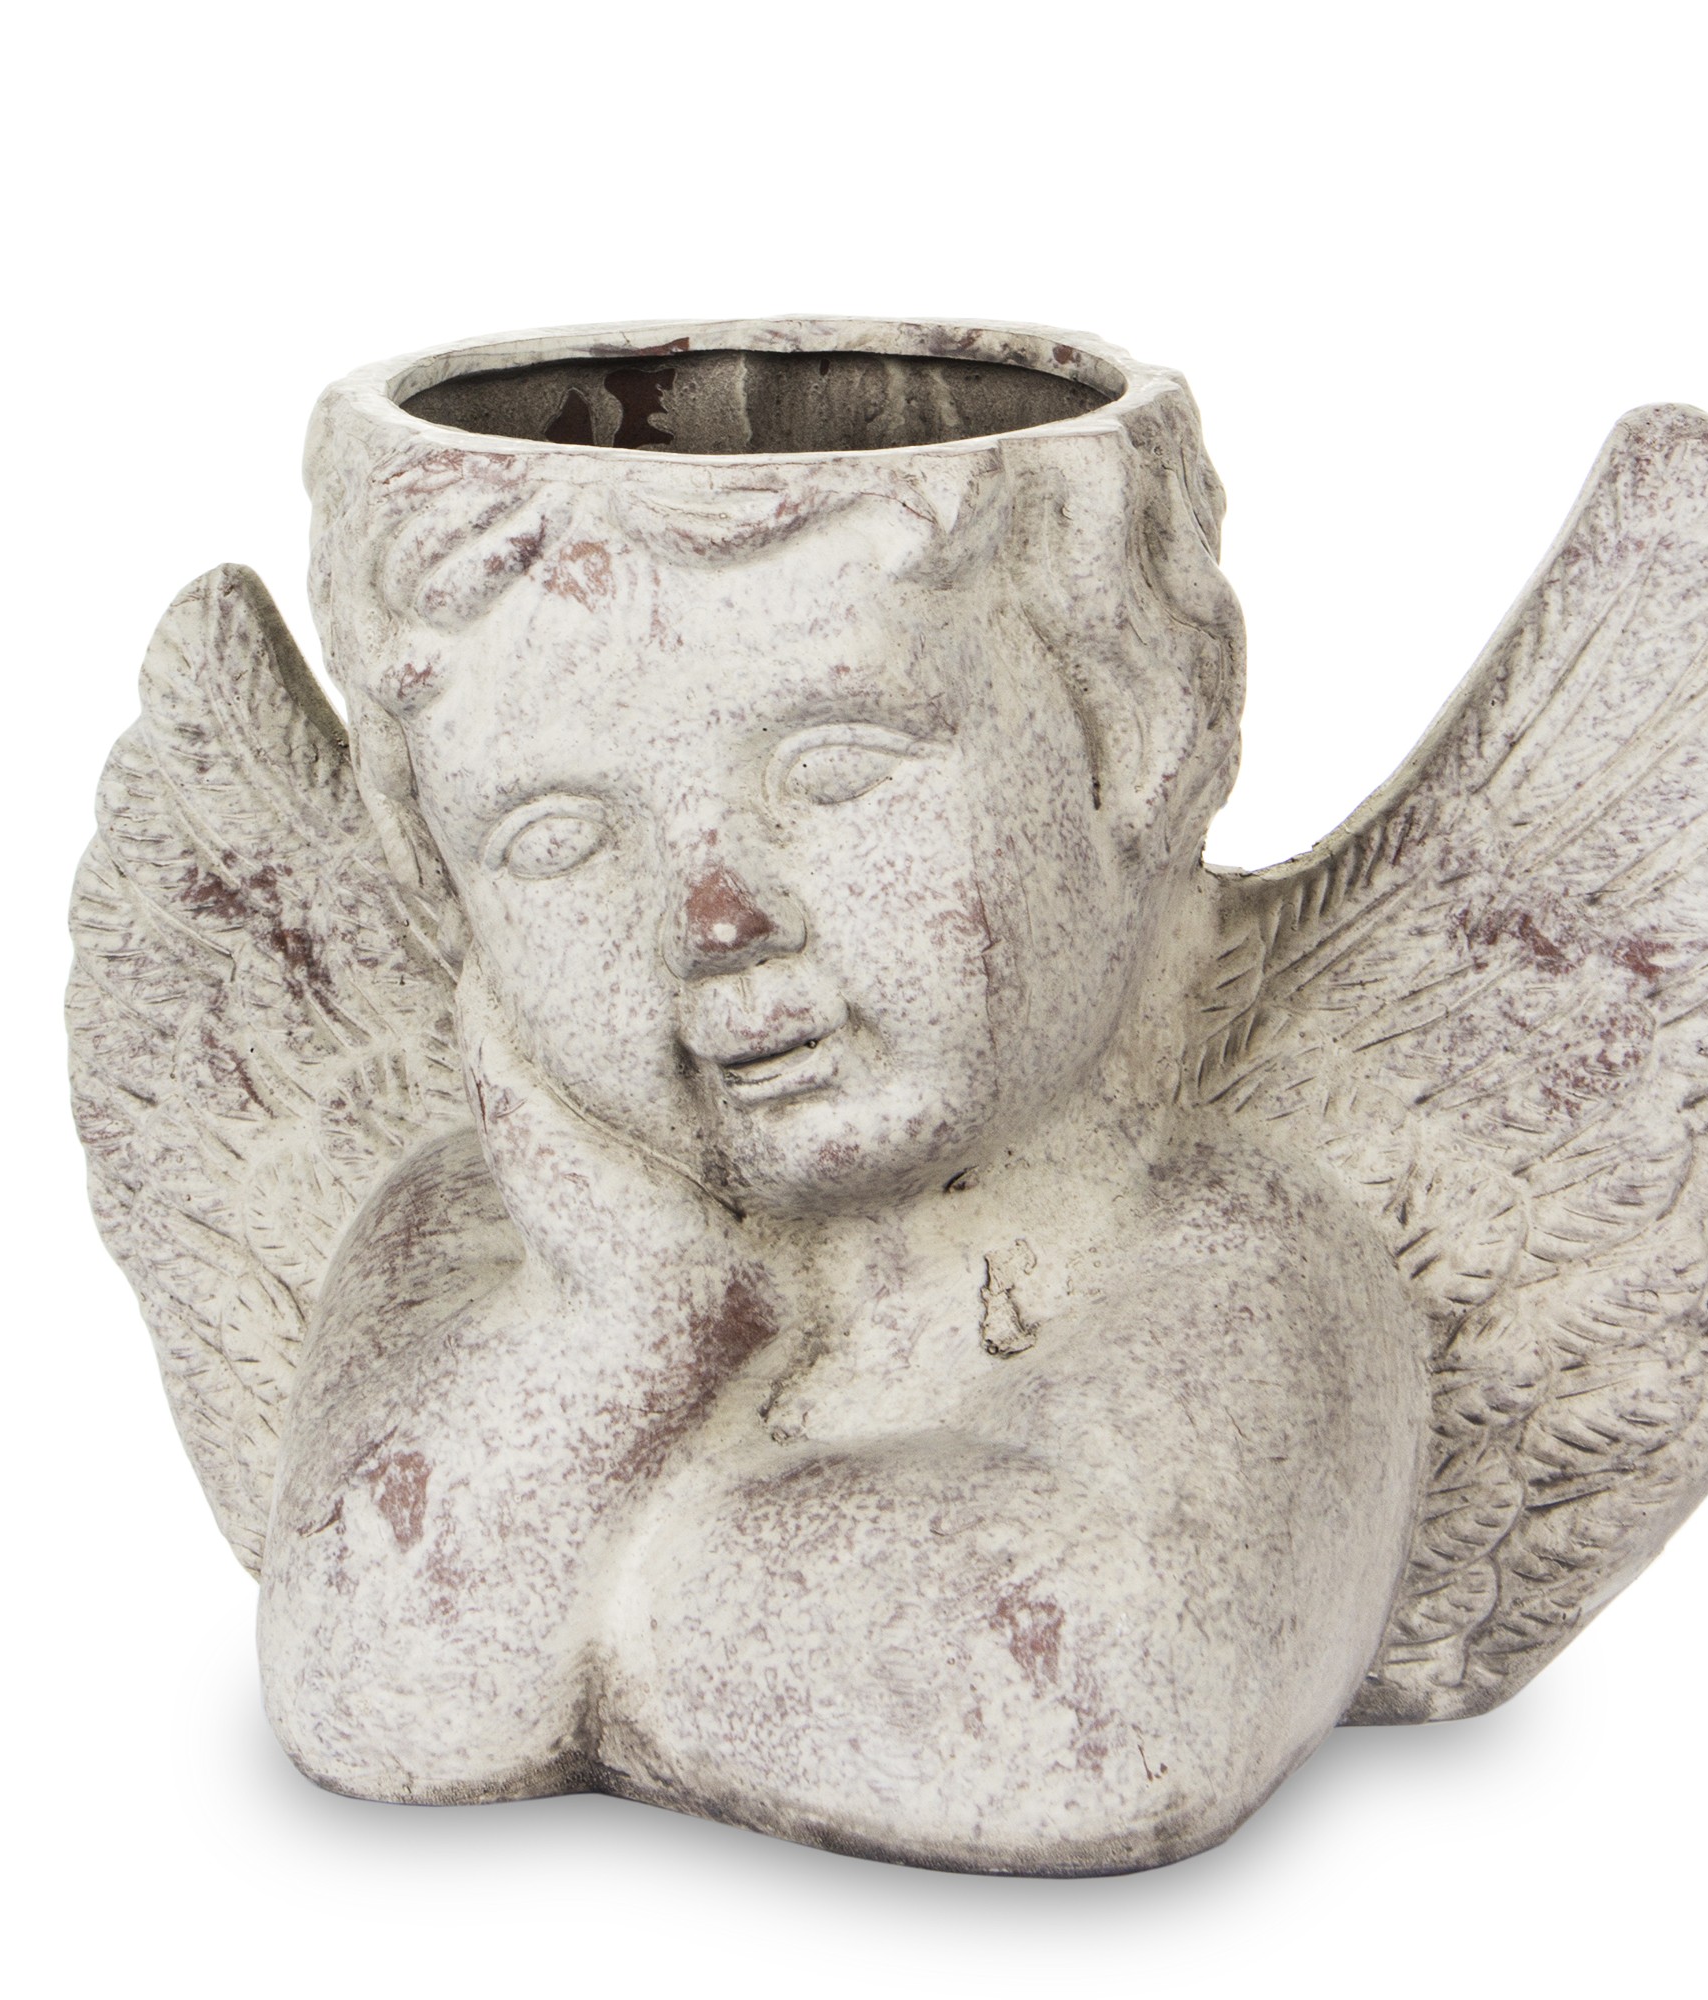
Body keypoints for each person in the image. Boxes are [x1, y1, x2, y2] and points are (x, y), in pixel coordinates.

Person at [259, 333, 1423, 1867]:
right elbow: (357, 1688)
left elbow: (1101, 1703)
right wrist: (641, 1318)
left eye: (831, 770)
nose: (717, 919)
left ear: (1135, 736)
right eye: (554, 839)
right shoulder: (468, 1229)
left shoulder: (1239, 1252)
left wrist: (577, 1595)